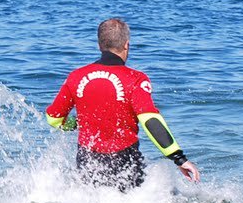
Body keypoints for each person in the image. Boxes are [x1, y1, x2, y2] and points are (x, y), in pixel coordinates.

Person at [46, 18, 199, 189]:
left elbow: (54, 119)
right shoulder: (135, 79)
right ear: (126, 45)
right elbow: (150, 120)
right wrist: (178, 158)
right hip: (124, 160)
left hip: (87, 160)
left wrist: (76, 124)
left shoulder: (76, 76)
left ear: (99, 45)